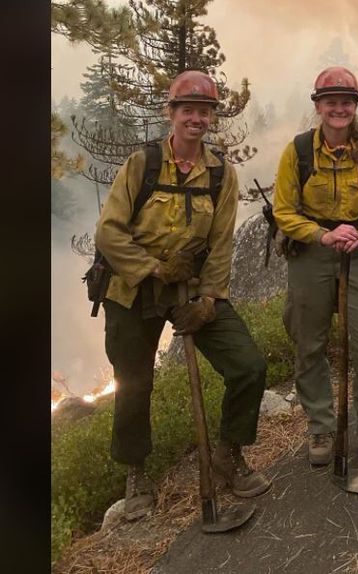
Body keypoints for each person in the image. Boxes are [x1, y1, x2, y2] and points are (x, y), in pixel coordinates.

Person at [95, 69, 271, 521]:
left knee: (247, 365)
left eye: (205, 111)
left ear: (212, 117)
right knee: (134, 383)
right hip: (131, 289)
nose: (196, 118)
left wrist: (209, 300)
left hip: (189, 288)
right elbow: (109, 233)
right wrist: (154, 267)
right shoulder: (143, 164)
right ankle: (137, 474)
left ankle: (228, 453)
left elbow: (221, 243)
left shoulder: (220, 174)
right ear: (171, 113)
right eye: (187, 109)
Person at [273, 66, 358, 470]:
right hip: (312, 251)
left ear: (355, 106)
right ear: (318, 106)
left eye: (346, 101)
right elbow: (283, 211)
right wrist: (322, 235)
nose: (339, 109)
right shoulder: (298, 151)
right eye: (331, 102)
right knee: (309, 344)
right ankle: (321, 426)